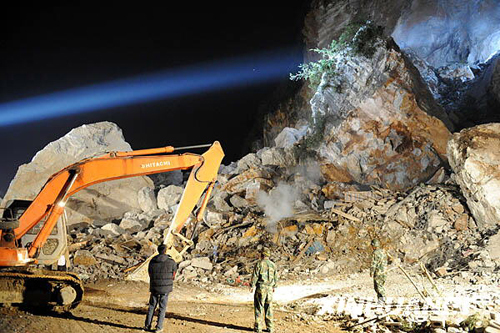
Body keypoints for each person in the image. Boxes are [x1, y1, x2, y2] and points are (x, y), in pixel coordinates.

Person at [144, 243, 177, 333]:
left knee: (151, 306)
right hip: (165, 288)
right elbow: (173, 275)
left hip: (154, 287)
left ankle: (147, 326)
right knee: (162, 307)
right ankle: (159, 327)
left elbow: (150, 274)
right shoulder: (171, 262)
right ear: (166, 251)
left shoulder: (152, 261)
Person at [250, 247, 277, 333]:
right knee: (269, 308)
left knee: (259, 307)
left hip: (260, 288)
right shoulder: (273, 265)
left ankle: (258, 328)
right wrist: (274, 286)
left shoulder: (259, 264)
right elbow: (276, 277)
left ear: (262, 254)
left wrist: (252, 285)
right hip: (269, 289)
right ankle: (270, 328)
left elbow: (255, 276)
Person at [370, 239, 388, 304]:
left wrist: (371, 271)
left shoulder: (375, 253)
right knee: (380, 285)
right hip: (384, 271)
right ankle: (380, 299)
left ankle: (383, 299)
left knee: (378, 286)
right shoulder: (383, 251)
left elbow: (373, 263)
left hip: (378, 272)